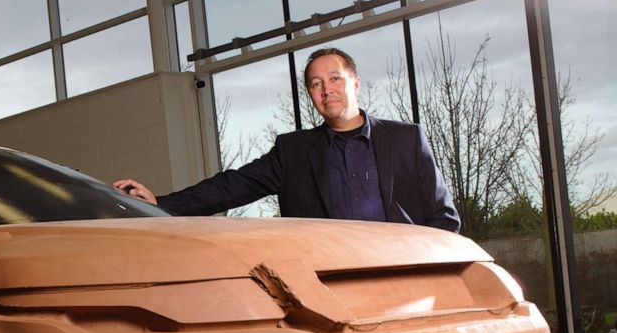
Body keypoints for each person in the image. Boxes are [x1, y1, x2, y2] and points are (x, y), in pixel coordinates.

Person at [113, 47, 460, 233]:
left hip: (403, 286)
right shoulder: (293, 152)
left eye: (335, 78)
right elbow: (231, 186)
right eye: (316, 84)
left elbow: (445, 219)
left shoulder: (406, 139)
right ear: (310, 93)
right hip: (329, 290)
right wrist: (159, 202)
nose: (327, 90)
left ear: (355, 82)